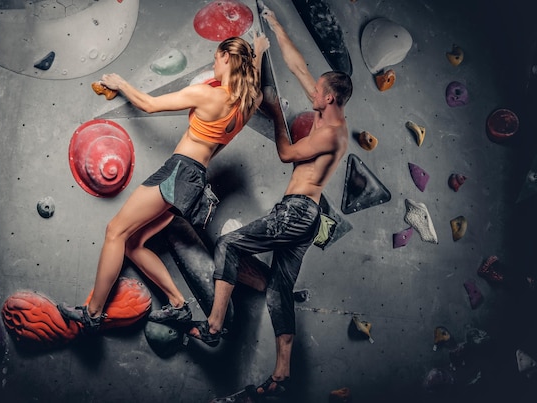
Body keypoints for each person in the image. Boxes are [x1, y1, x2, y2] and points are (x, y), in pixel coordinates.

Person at [189, 6, 352, 398]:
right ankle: (282, 376)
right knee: (279, 291)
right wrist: (275, 27)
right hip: (305, 219)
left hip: (297, 212)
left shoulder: (332, 131)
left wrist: (277, 112)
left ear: (328, 98)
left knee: (228, 244)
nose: (310, 90)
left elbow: (286, 154)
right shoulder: (326, 111)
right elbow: (296, 67)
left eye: (317, 90)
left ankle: (214, 326)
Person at [58, 33, 270, 333]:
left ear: (226, 57)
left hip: (178, 171)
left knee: (115, 231)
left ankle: (92, 313)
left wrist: (121, 84)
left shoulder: (209, 95)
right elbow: (255, 88)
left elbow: (149, 104)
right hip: (195, 180)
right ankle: (178, 305)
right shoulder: (246, 106)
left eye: (215, 58)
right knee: (133, 244)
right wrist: (258, 52)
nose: (214, 64)